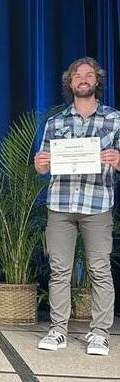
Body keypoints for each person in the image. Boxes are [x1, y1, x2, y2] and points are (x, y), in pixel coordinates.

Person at [34, 57, 119, 356]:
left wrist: (118, 161)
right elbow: (43, 165)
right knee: (59, 271)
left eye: (88, 75)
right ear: (69, 83)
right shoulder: (55, 122)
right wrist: (40, 164)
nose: (83, 79)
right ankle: (58, 330)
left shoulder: (115, 120)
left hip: (98, 205)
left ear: (97, 81)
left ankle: (99, 333)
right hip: (60, 204)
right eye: (77, 75)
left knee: (99, 269)